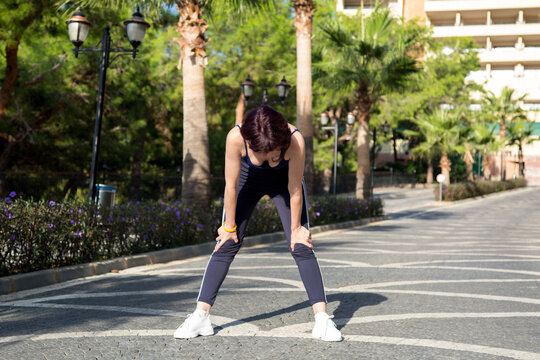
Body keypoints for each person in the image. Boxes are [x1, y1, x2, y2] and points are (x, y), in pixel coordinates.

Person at [173, 105, 342, 342]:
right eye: (261, 154)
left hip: (284, 186)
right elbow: (230, 187)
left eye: (273, 154)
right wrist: (229, 227)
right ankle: (201, 317)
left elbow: (294, 189)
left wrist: (296, 231)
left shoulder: (295, 141)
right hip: (246, 183)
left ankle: (323, 321)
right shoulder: (235, 137)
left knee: (301, 244)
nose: (268, 159)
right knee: (226, 244)